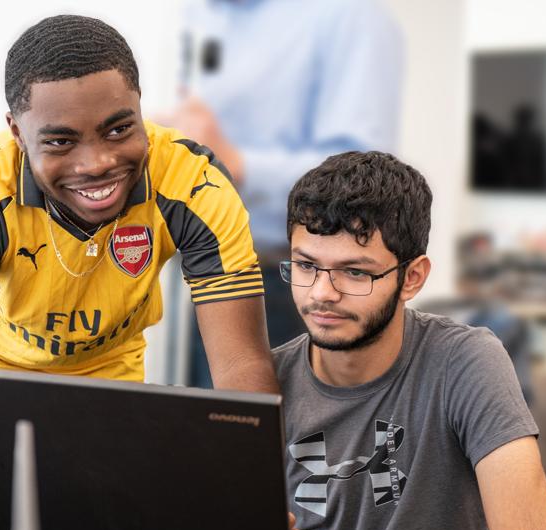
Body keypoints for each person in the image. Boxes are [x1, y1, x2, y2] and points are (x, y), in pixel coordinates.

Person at [0, 14, 280, 523]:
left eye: (119, 128)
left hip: (108, 386)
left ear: (141, 108)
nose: (96, 163)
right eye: (60, 141)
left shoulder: (195, 183)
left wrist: (248, 487)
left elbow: (241, 366)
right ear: (16, 132)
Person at [275, 152, 546, 530]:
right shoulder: (267, 380)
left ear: (411, 278)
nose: (321, 293)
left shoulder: (466, 362)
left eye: (355, 273)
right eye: (306, 265)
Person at [160, 0, 403, 385]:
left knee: (277, 440)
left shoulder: (349, 17)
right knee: (207, 436)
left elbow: (364, 177)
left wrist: (236, 163)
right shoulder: (206, 14)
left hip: (290, 284)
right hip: (201, 274)